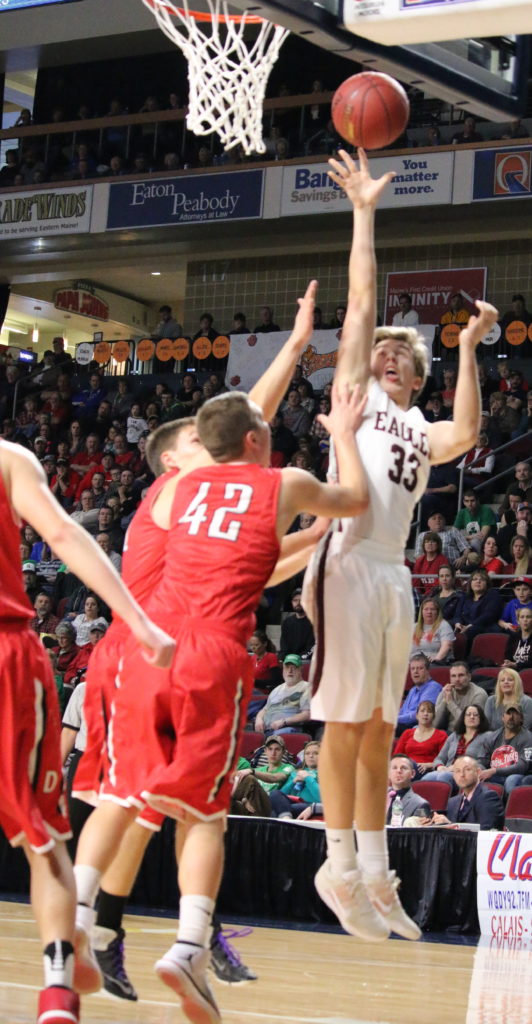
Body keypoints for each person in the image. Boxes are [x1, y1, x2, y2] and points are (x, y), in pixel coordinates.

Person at [301, 148, 498, 945]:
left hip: (393, 574)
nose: (386, 357)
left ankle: (378, 877)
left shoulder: (420, 423)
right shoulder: (354, 394)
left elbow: (474, 431)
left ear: (414, 375)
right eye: (380, 352)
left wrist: (466, 350)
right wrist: (364, 211)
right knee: (345, 726)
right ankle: (337, 863)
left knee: (382, 729)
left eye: (399, 357)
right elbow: (359, 300)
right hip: (346, 556)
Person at [0, 438, 173, 1024]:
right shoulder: (10, 459)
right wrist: (138, 618)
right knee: (40, 835)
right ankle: (56, 988)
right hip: (9, 658)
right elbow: (66, 536)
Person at [422, 704, 491, 787]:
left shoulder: (487, 736)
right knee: (426, 778)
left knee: (444, 777)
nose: (472, 717)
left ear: (481, 718)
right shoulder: (454, 736)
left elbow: (483, 762)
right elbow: (439, 758)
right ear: (463, 718)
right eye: (468, 714)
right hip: (447, 770)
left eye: (475, 715)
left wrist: (458, 768)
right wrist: (440, 767)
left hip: (466, 773)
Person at [430, 756, 504, 829]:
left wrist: (451, 826)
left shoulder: (489, 797)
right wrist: (430, 820)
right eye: (457, 771)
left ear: (478, 772)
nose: (462, 775)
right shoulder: (452, 802)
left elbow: (486, 833)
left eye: (467, 770)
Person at [477, 705, 532, 796]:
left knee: (511, 780)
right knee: (473, 777)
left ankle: (510, 810)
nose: (511, 717)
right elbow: (483, 760)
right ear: (503, 717)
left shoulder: (528, 738)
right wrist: (479, 769)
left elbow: (522, 766)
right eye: (508, 713)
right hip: (495, 775)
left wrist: (494, 771)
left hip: (520, 775)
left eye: (515, 714)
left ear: (521, 719)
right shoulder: (492, 737)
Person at [254, 654, 311, 735]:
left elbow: (307, 715)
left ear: (301, 670)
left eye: (294, 667)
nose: (290, 671)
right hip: (266, 729)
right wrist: (258, 719)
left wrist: (284, 721)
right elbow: (264, 710)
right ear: (283, 670)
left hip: (287, 729)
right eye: (287, 667)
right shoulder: (277, 689)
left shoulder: (306, 687)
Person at [450, 569, 502, 650]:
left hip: (485, 627)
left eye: (482, 579)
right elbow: (457, 613)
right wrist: (458, 623)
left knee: (470, 632)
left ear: (487, 583)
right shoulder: (465, 597)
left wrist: (471, 625)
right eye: (475, 579)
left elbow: (489, 615)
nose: (478, 581)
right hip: (466, 627)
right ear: (470, 583)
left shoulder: (493, 595)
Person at [269, 740, 321, 818]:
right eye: (307, 753)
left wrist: (308, 778)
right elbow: (282, 794)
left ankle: (285, 818)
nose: (310, 756)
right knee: (274, 793)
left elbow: (321, 798)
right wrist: (293, 782)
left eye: (315, 753)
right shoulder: (295, 773)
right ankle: (286, 818)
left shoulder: (325, 774)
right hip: (291, 802)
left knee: (275, 812)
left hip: (310, 805)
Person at [393, 702, 447, 775]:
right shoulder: (407, 733)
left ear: (434, 716)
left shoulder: (441, 735)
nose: (425, 714)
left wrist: (428, 765)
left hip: (428, 771)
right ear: (416, 715)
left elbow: (444, 760)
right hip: (406, 768)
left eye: (429, 711)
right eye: (422, 711)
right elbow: (397, 756)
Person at [434, 661, 488, 731]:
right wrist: (444, 700)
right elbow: (435, 724)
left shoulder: (479, 694)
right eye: (453, 676)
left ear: (469, 677)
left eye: (461, 675)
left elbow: (470, 723)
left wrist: (450, 702)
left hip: (469, 734)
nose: (457, 679)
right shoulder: (445, 692)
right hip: (447, 734)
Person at [397, 654, 442, 731]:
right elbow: (402, 711)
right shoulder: (412, 690)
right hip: (403, 724)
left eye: (420, 668)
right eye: (412, 669)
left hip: (417, 726)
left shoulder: (433, 687)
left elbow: (420, 715)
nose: (415, 672)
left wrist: (394, 720)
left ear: (427, 670)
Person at [386, 756, 430, 826]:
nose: (399, 771)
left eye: (403, 768)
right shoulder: (376, 797)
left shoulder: (420, 804)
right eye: (394, 768)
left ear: (412, 774)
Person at [411, 597, 455, 664]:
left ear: (437, 612)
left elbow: (447, 645)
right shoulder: (414, 627)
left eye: (432, 609)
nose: (429, 612)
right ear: (421, 611)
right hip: (414, 662)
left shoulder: (444, 625)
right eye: (426, 609)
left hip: (435, 662)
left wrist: (436, 659)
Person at [454, 490, 497, 555]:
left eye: (472, 501)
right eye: (467, 501)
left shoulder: (486, 510)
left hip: (487, 541)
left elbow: (482, 536)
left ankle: (476, 561)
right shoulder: (462, 512)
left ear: (478, 501)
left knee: (475, 542)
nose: (469, 504)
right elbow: (453, 534)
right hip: (471, 539)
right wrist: (469, 537)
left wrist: (465, 538)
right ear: (463, 502)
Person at [279, 587, 315, 661]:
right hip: (289, 661)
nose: (298, 603)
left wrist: (300, 658)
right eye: (295, 600)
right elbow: (284, 644)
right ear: (292, 602)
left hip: (306, 661)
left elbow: (312, 647)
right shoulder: (287, 622)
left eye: (301, 600)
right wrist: (284, 657)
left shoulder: (314, 622)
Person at [503, 605, 532, 671]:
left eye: (528, 617)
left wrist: (516, 665)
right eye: (522, 617)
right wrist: (507, 662)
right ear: (518, 621)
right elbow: (507, 656)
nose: (525, 619)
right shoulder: (513, 637)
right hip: (513, 671)